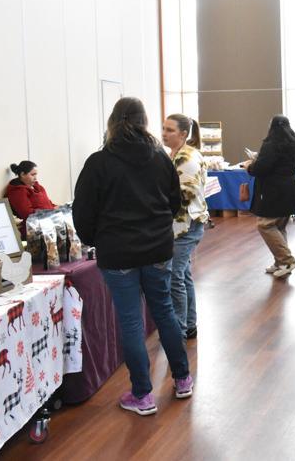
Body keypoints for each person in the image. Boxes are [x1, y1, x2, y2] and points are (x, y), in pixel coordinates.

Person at [73, 97, 192, 416]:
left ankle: (143, 394)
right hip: (157, 248)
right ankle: (182, 379)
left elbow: (82, 213)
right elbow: (174, 203)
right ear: (145, 123)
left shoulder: (98, 162)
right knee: (164, 311)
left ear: (112, 122)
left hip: (118, 253)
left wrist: (94, 239)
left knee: (130, 321)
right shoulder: (160, 158)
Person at [162, 114, 211, 340]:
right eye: (163, 128)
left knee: (174, 278)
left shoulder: (186, 158)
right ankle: (189, 324)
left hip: (186, 226)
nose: (164, 133)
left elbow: (186, 193)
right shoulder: (176, 154)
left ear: (183, 134)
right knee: (184, 274)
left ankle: (179, 329)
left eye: (170, 130)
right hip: (181, 225)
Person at [243, 115, 295, 278]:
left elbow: (261, 168)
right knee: (280, 226)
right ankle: (280, 262)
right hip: (290, 188)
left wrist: (250, 166)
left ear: (272, 127)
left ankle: (287, 260)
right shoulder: (294, 143)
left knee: (265, 225)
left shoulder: (271, 144)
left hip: (273, 191)